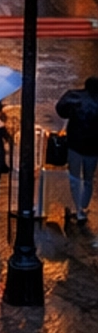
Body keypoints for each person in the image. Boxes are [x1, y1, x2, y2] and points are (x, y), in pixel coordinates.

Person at [54, 75, 98, 224]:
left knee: (74, 177)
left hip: (75, 144)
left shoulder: (75, 97)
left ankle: (76, 206)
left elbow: (61, 110)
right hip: (93, 148)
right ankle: (82, 208)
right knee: (88, 179)